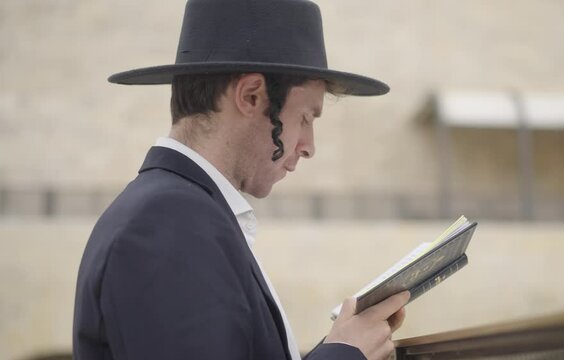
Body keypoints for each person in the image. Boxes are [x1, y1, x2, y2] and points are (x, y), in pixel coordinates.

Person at [73, 0, 409, 359]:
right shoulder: (170, 222)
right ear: (250, 96)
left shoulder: (174, 212)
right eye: (307, 117)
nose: (309, 146)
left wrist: (341, 346)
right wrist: (346, 355)